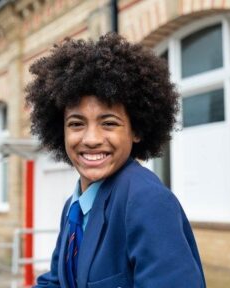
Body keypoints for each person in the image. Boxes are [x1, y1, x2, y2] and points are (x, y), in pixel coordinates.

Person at [26, 33, 206, 288]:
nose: (91, 139)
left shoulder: (147, 200)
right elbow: (55, 283)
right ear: (60, 130)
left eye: (109, 123)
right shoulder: (73, 207)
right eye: (76, 124)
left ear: (136, 130)